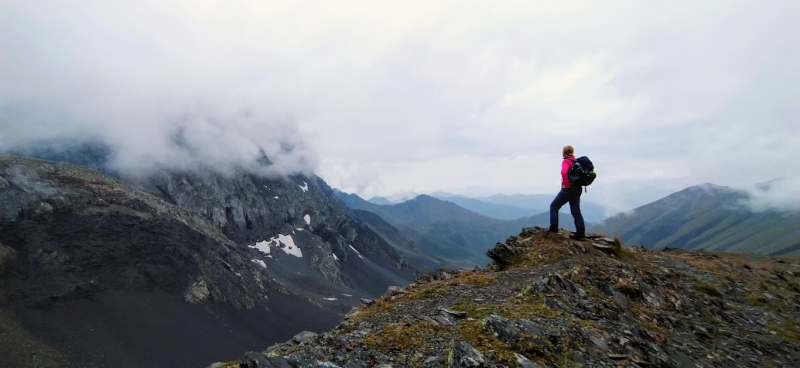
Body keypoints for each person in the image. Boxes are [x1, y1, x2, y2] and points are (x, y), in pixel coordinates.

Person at [548, 145, 585, 239]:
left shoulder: (566, 161)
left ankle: (553, 229)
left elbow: (564, 172)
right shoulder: (576, 161)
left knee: (554, 206)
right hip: (578, 188)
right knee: (576, 210)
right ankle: (580, 233)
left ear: (564, 152)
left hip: (568, 188)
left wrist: (565, 185)